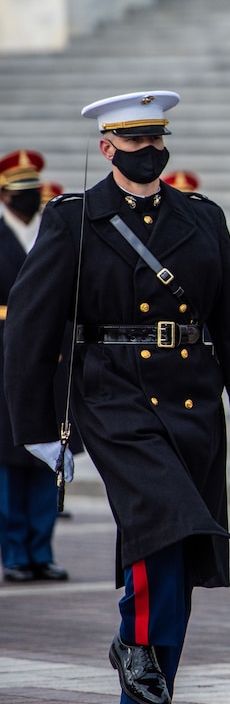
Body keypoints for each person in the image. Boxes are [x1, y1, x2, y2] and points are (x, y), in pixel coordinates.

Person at [3, 91, 230, 704]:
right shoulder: (74, 219)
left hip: (193, 400)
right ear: (106, 149)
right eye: (133, 142)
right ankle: (135, 646)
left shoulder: (203, 218)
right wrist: (36, 426)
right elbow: (31, 330)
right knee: (165, 524)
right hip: (112, 394)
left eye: (157, 139)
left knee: (177, 553)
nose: (149, 151)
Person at [0, 150, 69, 582]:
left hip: (51, 354)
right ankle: (13, 551)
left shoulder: (53, 229)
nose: (28, 200)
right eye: (20, 193)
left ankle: (41, 548)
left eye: (33, 192)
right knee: (8, 459)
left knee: (49, 456)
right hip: (3, 356)